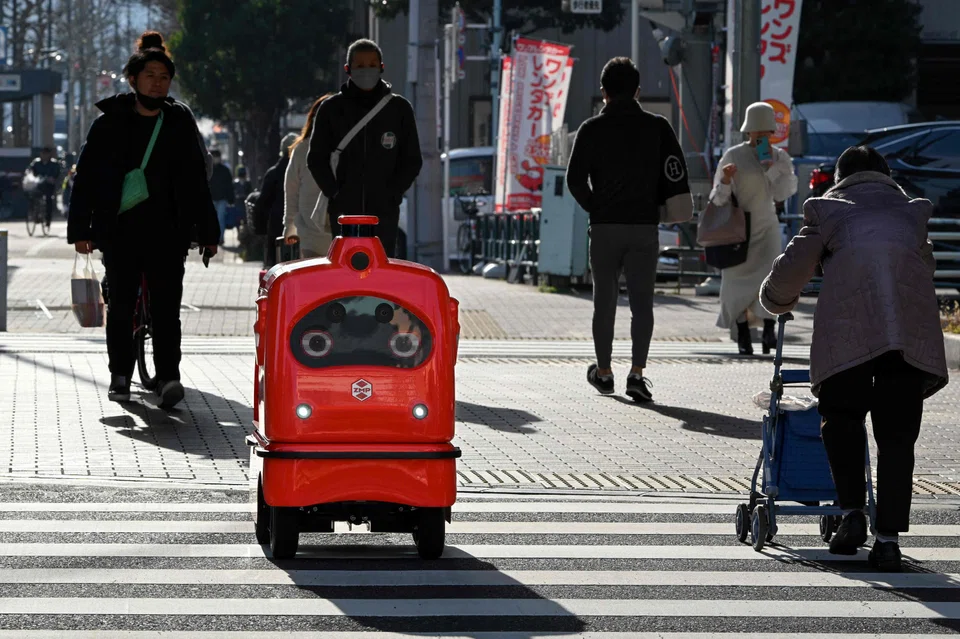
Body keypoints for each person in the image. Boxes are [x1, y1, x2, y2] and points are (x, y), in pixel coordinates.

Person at [760, 145, 948, 572]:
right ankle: (888, 540)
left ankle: (851, 515)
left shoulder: (830, 212)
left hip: (850, 334)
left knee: (841, 417)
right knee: (897, 436)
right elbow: (925, 269)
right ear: (885, 175)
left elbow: (791, 271)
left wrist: (774, 300)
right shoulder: (909, 215)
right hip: (907, 338)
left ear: (841, 178)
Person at [66, 31, 220, 409]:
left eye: (164, 77)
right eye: (150, 75)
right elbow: (85, 178)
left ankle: (169, 376)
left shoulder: (179, 121)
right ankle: (120, 376)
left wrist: (207, 231)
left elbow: (197, 180)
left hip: (169, 232)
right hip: (120, 232)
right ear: (133, 80)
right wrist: (80, 230)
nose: (157, 82)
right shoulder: (108, 124)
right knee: (121, 306)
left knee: (168, 309)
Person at [566, 57, 693, 403]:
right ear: (638, 90)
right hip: (643, 226)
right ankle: (637, 374)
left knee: (603, 301)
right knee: (642, 303)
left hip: (605, 226)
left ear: (603, 91)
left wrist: (596, 207)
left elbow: (573, 180)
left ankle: (604, 372)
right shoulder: (657, 127)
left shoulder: (590, 129)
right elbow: (674, 170)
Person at [307, 38, 422, 258]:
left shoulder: (399, 109)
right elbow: (316, 158)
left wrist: (393, 193)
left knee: (380, 269)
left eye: (372, 64)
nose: (366, 70)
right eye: (359, 66)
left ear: (382, 67)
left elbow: (412, 160)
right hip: (343, 213)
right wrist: (335, 193)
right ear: (348, 69)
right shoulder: (331, 109)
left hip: (384, 213)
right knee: (345, 267)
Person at [709, 101, 798, 355]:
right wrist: (726, 180)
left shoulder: (780, 158)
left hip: (767, 227)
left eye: (764, 131)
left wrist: (770, 170)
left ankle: (769, 328)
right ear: (748, 131)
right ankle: (743, 334)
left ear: (771, 132)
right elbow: (718, 198)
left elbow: (784, 193)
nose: (760, 136)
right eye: (755, 131)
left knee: (769, 280)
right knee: (734, 283)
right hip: (738, 230)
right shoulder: (733, 155)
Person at [284, 94, 335, 258]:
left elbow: (291, 191)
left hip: (334, 234)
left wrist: (290, 227)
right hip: (312, 233)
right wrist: (289, 227)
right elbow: (291, 191)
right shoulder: (301, 150)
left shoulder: (349, 149)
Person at [253, 133, 297, 269]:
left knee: (275, 264)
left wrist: (260, 228)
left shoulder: (273, 172)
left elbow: (263, 202)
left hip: (276, 225)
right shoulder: (303, 172)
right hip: (301, 226)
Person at [27, 147, 62, 226]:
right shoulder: (36, 163)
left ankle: (47, 220)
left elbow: (57, 173)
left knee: (48, 200)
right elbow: (30, 170)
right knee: (32, 196)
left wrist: (52, 178)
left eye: (46, 154)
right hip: (38, 185)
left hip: (49, 186)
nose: (44, 155)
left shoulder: (54, 164)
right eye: (43, 153)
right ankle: (34, 214)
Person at [209, 150, 235, 245]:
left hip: (222, 199)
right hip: (211, 198)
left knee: (220, 219)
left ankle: (220, 238)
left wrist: (231, 199)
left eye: (217, 157)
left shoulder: (224, 170)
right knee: (213, 219)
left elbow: (229, 185)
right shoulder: (208, 169)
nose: (215, 159)